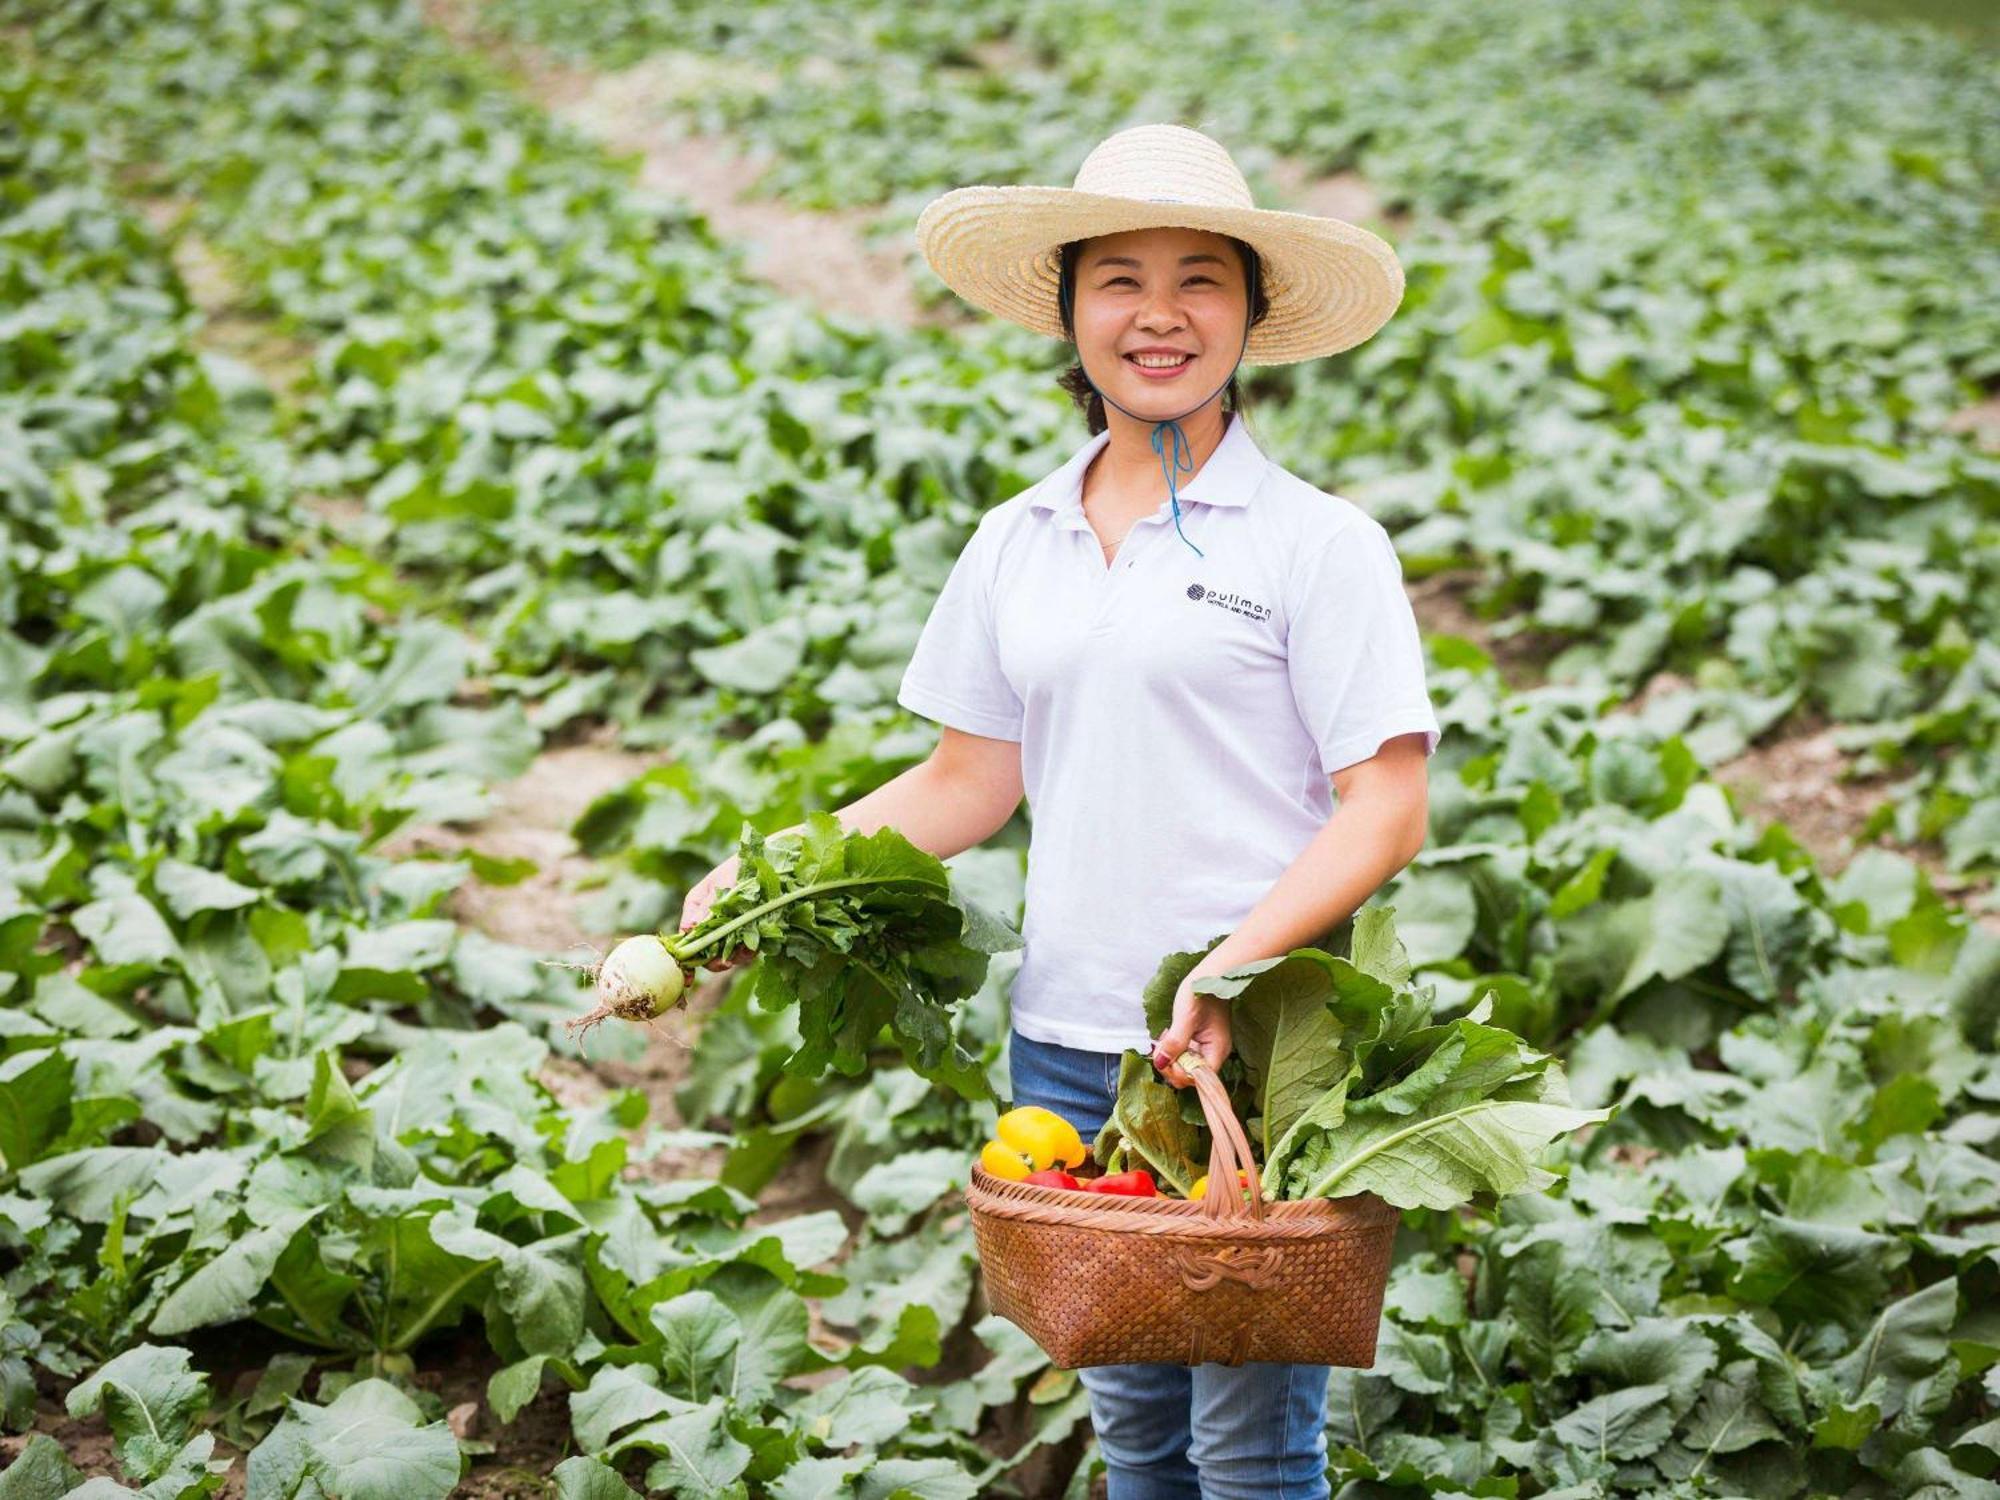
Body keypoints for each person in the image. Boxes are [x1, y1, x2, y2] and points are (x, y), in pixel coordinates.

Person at [681, 122, 1440, 1500]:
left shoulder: (1318, 544)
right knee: (1135, 1429)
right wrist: (768, 876)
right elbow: (968, 780)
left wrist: (1232, 967)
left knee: (1251, 1446)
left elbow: (1385, 807)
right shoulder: (1015, 538)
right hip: (1065, 1055)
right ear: (1072, 312)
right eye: (1121, 280)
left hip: (1248, 1059)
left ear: (1253, 315)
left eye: (1202, 278)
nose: (1161, 313)